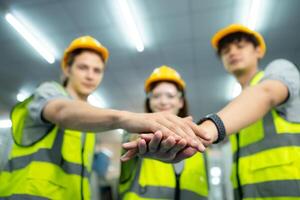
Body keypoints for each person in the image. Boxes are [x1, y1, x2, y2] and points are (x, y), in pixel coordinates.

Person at [0, 36, 208, 199]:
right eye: (83, 67)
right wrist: (126, 118)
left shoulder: (90, 124)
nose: (90, 75)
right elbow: (61, 111)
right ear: (67, 69)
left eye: (97, 70)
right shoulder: (48, 93)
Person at [123, 24, 300, 199]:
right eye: (225, 50)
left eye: (240, 46)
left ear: (259, 51)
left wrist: (204, 131)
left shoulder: (280, 71)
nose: (232, 52)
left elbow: (266, 93)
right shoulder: (236, 108)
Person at [119, 65, 209, 200]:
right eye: (156, 96)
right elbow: (130, 140)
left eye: (170, 96)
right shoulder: (135, 136)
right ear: (149, 102)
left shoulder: (198, 141)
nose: (163, 101)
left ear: (180, 102)